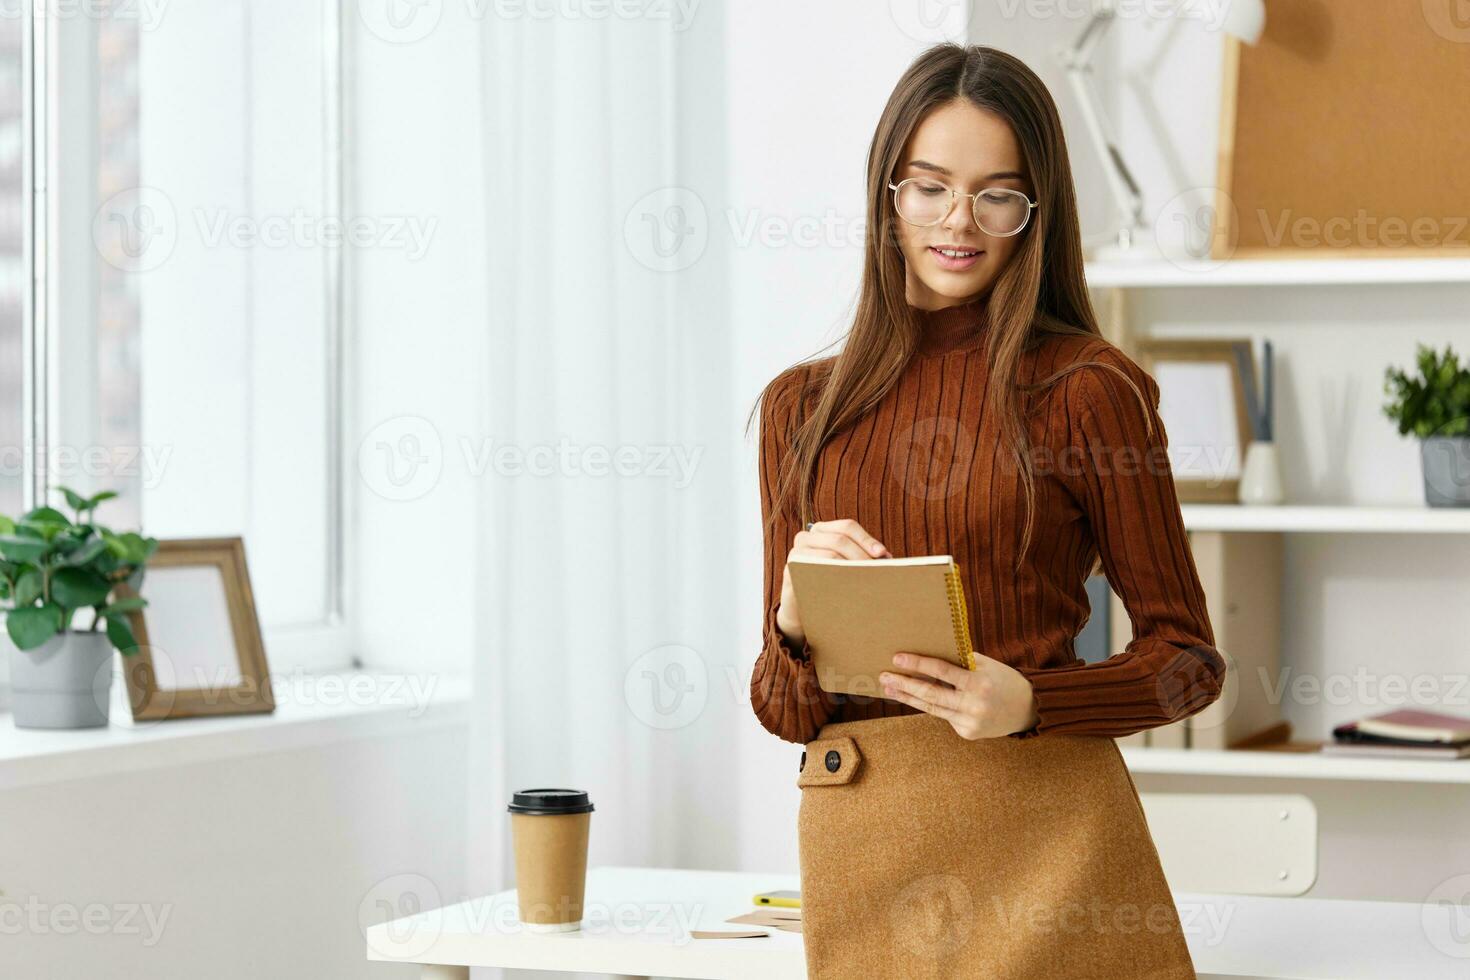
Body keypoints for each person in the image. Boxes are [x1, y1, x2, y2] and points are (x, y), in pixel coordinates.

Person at [747, 43, 1224, 979]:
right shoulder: (800, 408)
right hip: (866, 843)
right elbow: (780, 703)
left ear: (1035, 211)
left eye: (997, 193)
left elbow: (1188, 663)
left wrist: (1035, 701)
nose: (959, 221)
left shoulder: (1087, 391)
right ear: (889, 194)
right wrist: (792, 623)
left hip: (1049, 832)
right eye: (930, 187)